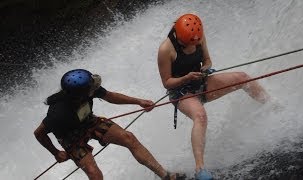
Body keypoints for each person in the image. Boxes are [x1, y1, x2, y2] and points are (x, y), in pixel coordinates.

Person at [157, 14, 269, 180]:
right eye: (187, 43)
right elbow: (167, 82)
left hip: (201, 82)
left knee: (243, 78)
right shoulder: (166, 49)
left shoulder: (198, 36)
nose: (191, 45)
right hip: (180, 93)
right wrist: (187, 78)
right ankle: (200, 169)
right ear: (179, 36)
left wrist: (205, 69)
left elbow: (207, 61)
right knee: (200, 116)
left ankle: (271, 106)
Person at [34, 69, 185, 180]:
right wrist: (56, 153)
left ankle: (166, 176)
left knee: (128, 138)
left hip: (88, 122)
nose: (95, 88)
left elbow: (110, 96)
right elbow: (39, 133)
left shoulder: (87, 88)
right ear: (79, 95)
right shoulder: (58, 114)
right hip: (70, 137)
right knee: (94, 174)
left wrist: (138, 101)